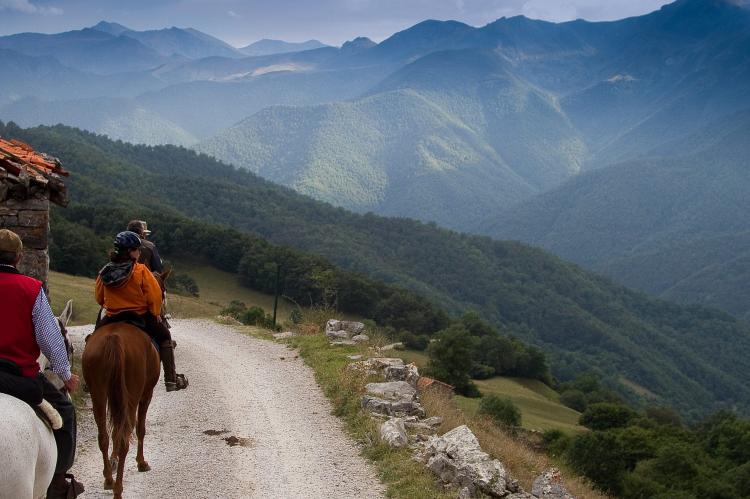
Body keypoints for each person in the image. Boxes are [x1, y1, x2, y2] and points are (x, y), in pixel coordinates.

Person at [0, 229, 83, 499]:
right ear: (19, 257)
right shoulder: (31, 289)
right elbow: (50, 340)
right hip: (20, 377)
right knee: (66, 413)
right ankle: (59, 484)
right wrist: (65, 374)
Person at [94, 231, 187, 391]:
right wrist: (155, 313)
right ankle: (171, 380)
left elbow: (99, 298)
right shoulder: (141, 271)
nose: (139, 252)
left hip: (112, 316)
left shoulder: (105, 271)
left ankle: (92, 380)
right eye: (137, 249)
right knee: (165, 337)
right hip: (139, 316)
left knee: (94, 339)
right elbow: (155, 296)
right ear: (130, 251)